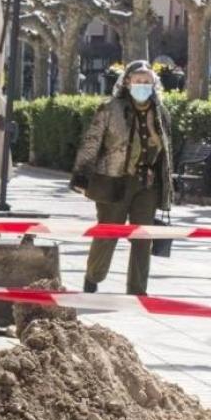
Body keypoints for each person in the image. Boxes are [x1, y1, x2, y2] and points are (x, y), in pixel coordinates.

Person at [70, 60, 173, 295]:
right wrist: (82, 177)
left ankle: (137, 289)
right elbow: (91, 142)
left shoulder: (161, 112)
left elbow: (167, 151)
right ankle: (93, 276)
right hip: (114, 180)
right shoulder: (110, 108)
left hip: (148, 184)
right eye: (138, 81)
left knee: (143, 238)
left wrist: (167, 184)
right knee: (108, 232)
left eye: (147, 81)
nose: (143, 85)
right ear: (127, 82)